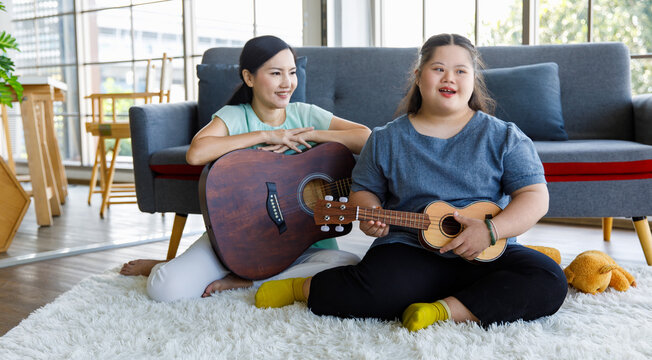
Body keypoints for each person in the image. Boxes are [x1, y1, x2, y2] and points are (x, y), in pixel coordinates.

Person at [254, 33, 568, 330]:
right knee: (375, 290)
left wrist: (490, 231)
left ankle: (443, 310)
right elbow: (364, 192)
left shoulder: (504, 136)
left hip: (485, 249)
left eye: (461, 71)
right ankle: (304, 288)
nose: (449, 78)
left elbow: (534, 196)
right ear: (418, 76)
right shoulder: (386, 139)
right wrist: (370, 215)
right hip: (408, 248)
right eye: (439, 69)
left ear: (474, 81)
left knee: (549, 279)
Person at [120, 35, 371, 302]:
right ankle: (165, 266)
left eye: (292, 72)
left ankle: (249, 281)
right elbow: (196, 153)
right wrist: (267, 136)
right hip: (236, 241)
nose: (287, 83)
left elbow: (365, 137)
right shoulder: (235, 116)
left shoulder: (305, 115)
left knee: (349, 264)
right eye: (276, 73)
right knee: (164, 289)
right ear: (249, 78)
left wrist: (314, 135)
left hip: (305, 248)